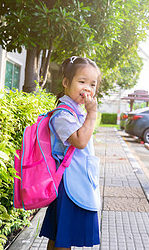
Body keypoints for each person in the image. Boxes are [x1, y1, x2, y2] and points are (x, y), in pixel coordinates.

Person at [39, 56, 101, 250]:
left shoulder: (75, 112)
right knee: (63, 237)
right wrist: (92, 114)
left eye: (92, 84)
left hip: (75, 181)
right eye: (81, 82)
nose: (87, 88)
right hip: (69, 185)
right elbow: (80, 141)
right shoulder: (63, 114)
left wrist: (87, 114)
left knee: (60, 236)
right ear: (66, 82)